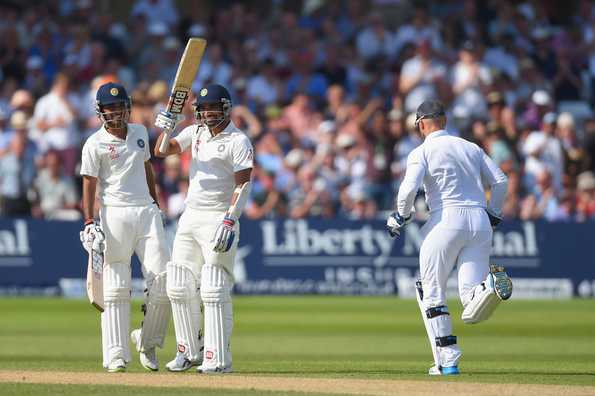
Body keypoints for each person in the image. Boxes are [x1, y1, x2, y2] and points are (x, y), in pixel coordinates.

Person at [386, 100, 513, 376]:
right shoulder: (471, 147)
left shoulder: (422, 151)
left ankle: (448, 360)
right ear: (443, 120)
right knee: (470, 299)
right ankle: (487, 287)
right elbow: (501, 181)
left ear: (421, 124)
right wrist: (494, 213)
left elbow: (408, 190)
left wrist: (400, 216)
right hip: (480, 222)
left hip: (445, 220)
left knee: (430, 290)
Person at [154, 83, 253, 373]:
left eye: (212, 108)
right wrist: (169, 126)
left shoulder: (238, 140)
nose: (207, 113)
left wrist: (229, 219)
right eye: (203, 108)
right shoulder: (195, 132)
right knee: (179, 284)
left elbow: (243, 184)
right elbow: (162, 150)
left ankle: (218, 358)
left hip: (218, 217)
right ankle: (188, 351)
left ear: (225, 108)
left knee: (213, 287)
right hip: (190, 215)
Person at [79, 82, 171, 373]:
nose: (117, 112)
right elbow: (89, 185)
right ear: (101, 111)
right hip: (114, 214)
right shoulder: (94, 144)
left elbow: (147, 169)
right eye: (111, 108)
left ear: (127, 106)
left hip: (146, 211)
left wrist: (156, 204)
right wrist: (89, 222)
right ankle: (115, 354)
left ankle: (147, 341)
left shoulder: (140, 133)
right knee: (116, 287)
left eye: (120, 106)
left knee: (164, 281)